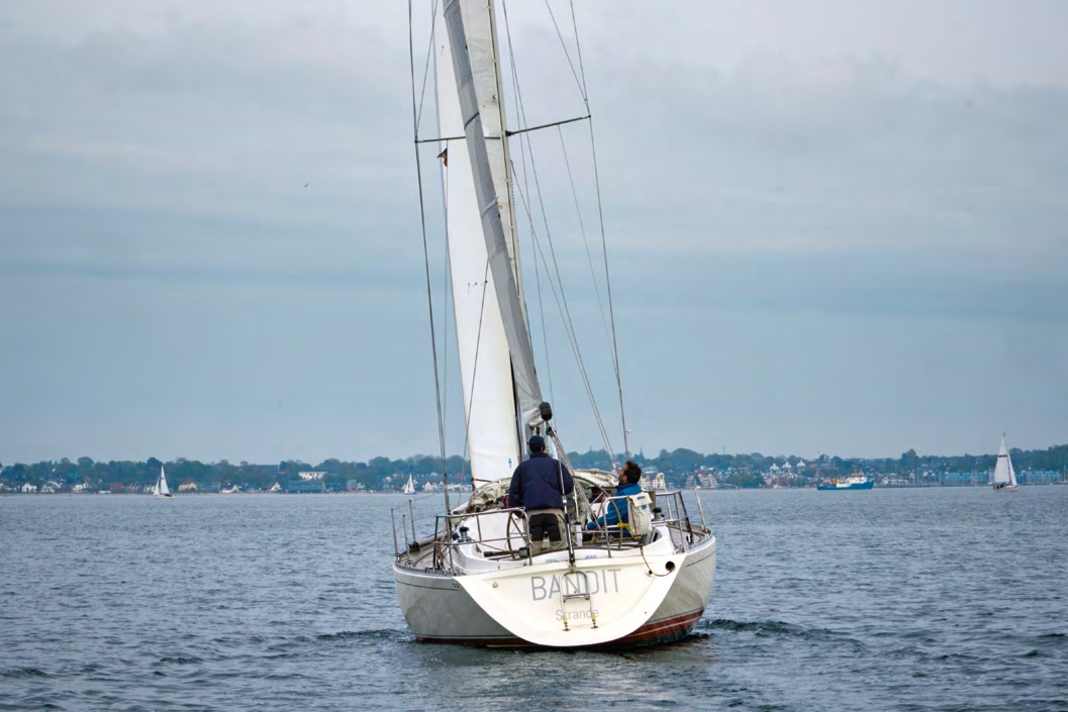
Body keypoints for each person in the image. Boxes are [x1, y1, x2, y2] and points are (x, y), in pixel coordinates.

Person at [507, 435, 574, 549]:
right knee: (559, 548)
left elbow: (513, 495)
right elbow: (568, 485)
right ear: (544, 448)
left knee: (535, 549)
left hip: (532, 514)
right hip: (554, 511)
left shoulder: (522, 468)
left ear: (530, 450)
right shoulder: (556, 464)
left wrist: (521, 514)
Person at [587, 460, 642, 531]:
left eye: (622, 470)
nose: (619, 472)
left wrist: (590, 525)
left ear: (625, 477)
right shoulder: (637, 489)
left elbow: (612, 517)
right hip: (634, 527)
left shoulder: (624, 494)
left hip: (623, 531)